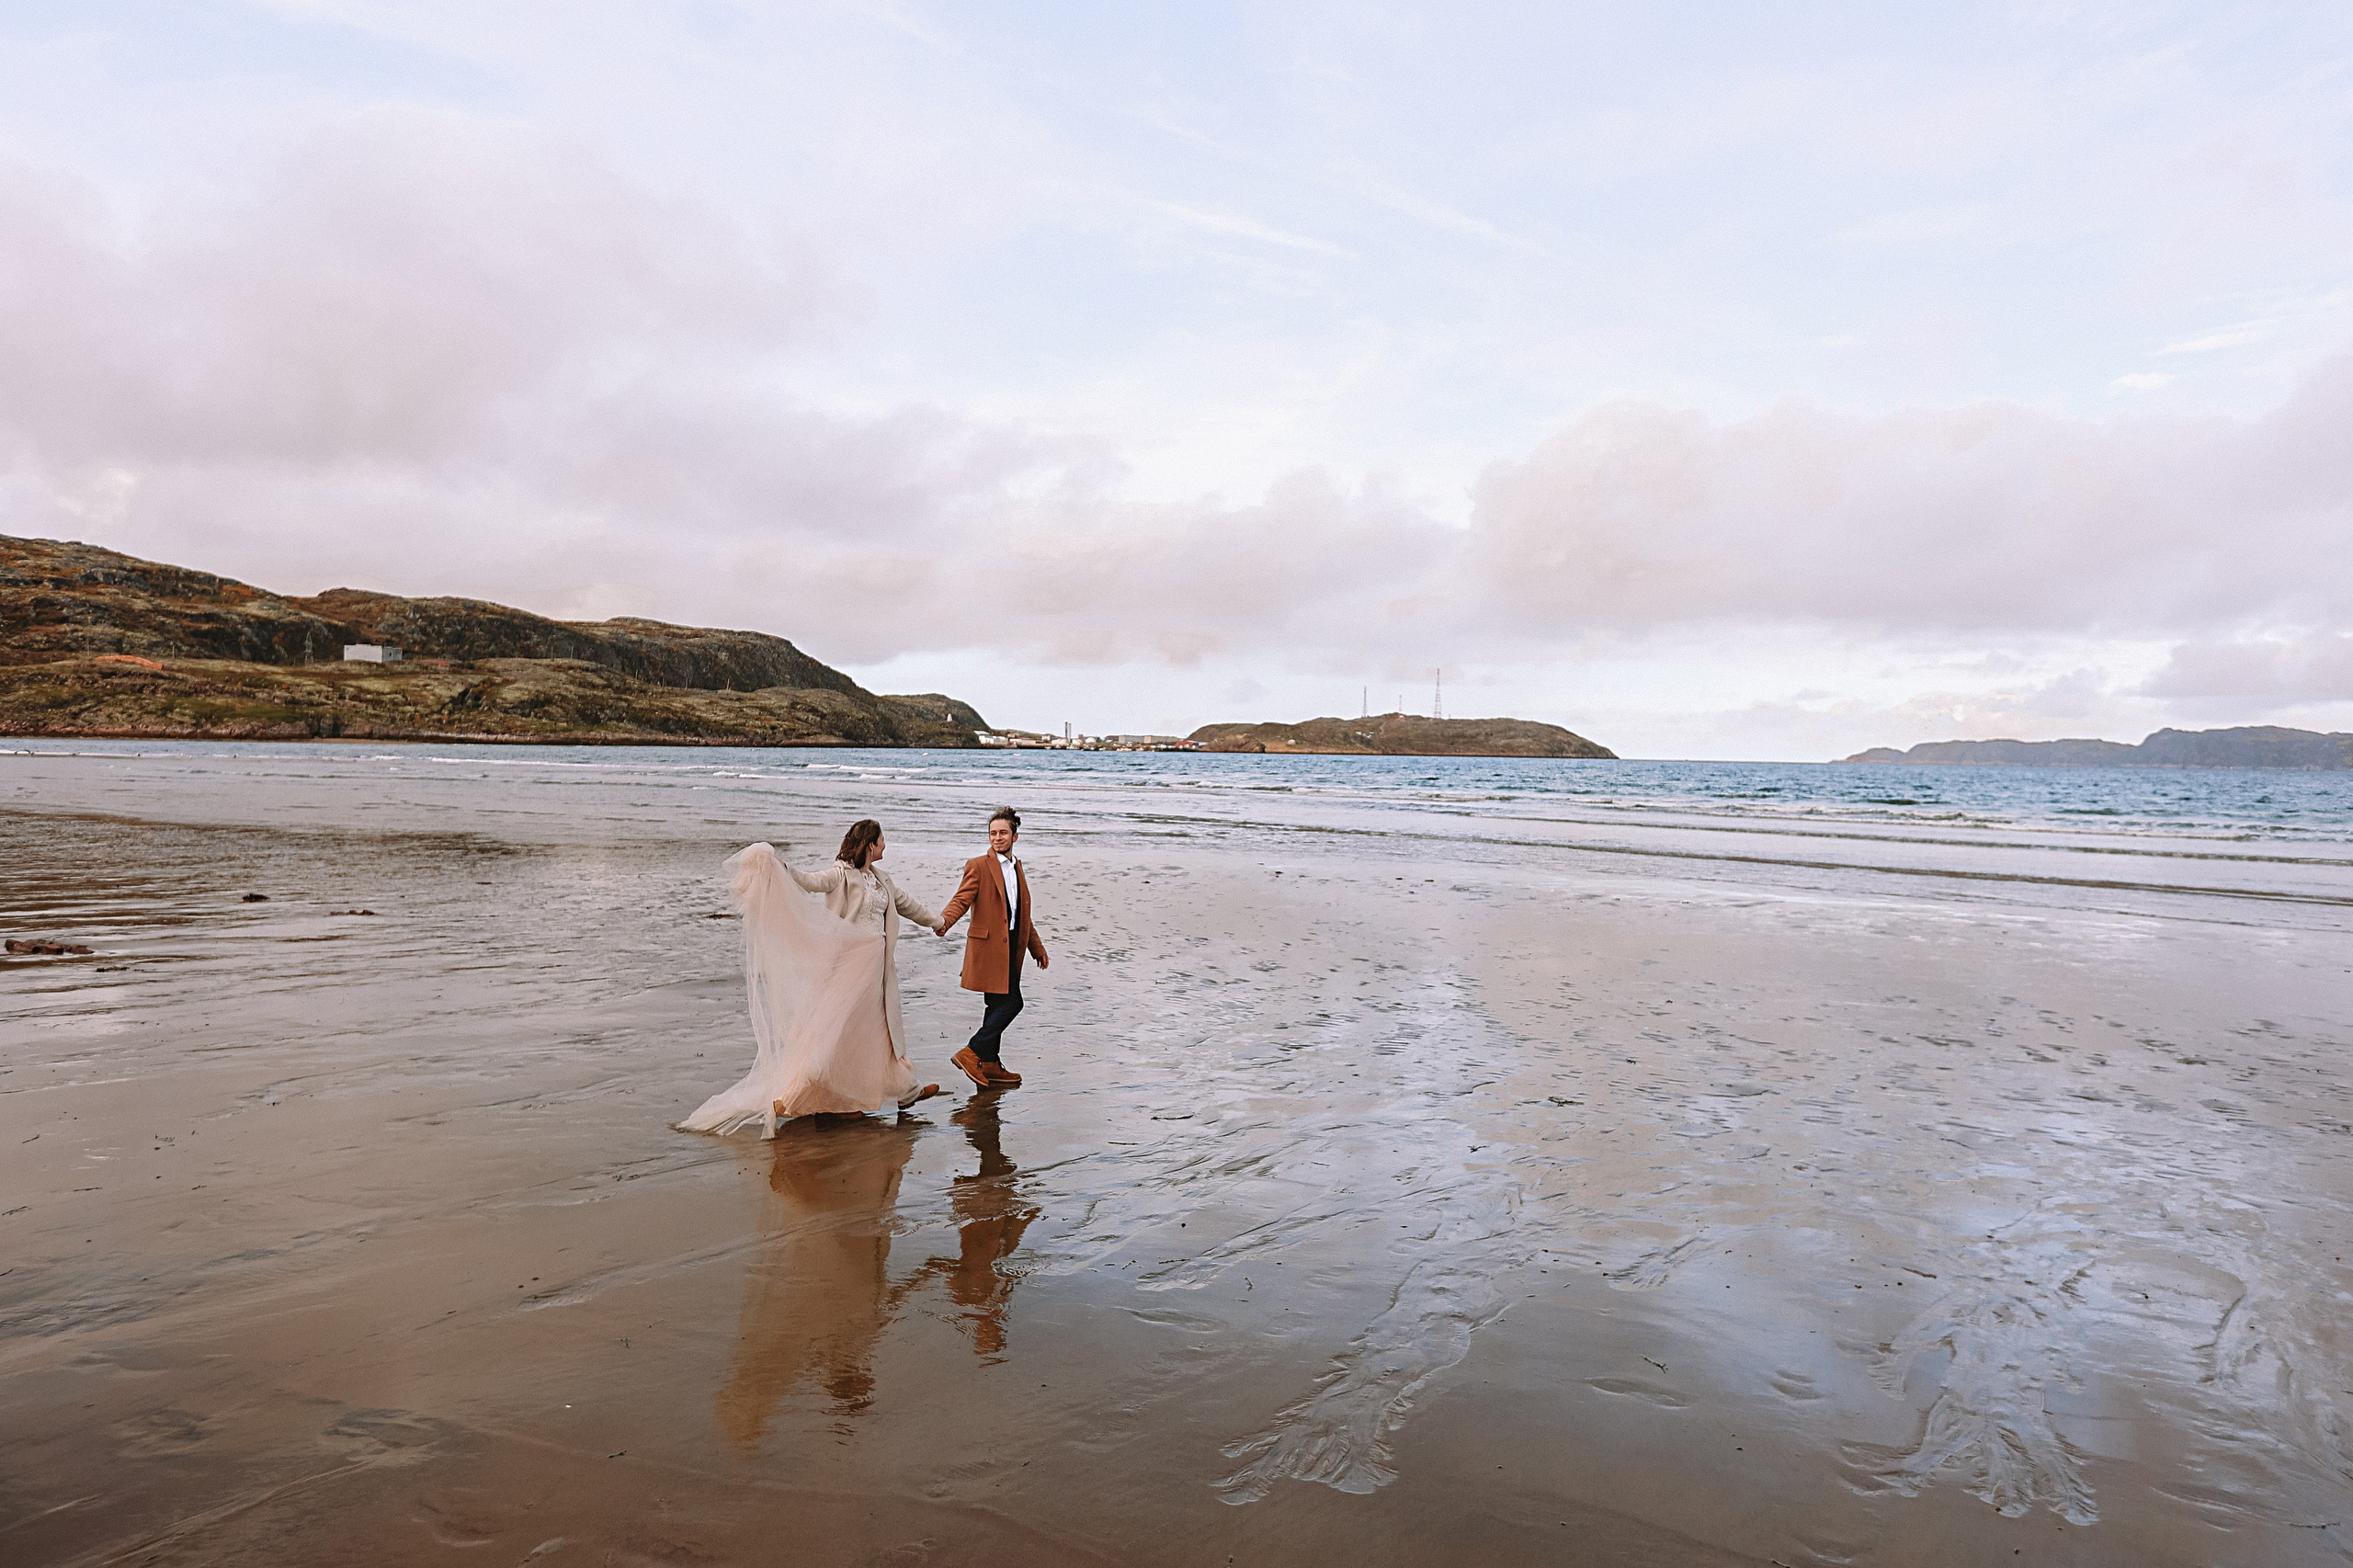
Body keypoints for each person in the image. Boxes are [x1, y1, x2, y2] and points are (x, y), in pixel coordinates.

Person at [679, 819, 945, 1137]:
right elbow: (808, 881)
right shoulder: (840, 874)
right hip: (849, 965)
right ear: (871, 844)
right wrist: (778, 866)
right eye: (883, 839)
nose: (886, 845)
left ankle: (905, 1091)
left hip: (877, 970)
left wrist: (938, 922)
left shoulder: (882, 879)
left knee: (876, 1032)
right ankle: (794, 1097)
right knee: (836, 1033)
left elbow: (906, 905)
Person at [936, 806, 1049, 1090]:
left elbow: (1021, 914)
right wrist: (944, 921)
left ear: (1015, 836)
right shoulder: (978, 865)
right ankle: (972, 1051)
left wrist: (1037, 948)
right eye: (993, 833)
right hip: (989, 948)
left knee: (997, 1004)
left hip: (1012, 946)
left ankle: (990, 1064)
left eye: (1003, 833)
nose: (997, 838)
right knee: (1014, 1002)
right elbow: (962, 899)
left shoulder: (1017, 868)